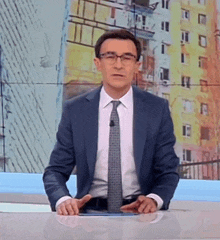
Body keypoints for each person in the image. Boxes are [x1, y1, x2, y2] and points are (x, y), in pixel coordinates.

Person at [43, 29, 179, 216]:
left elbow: (168, 171)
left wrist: (154, 199)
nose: (118, 65)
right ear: (97, 63)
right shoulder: (75, 110)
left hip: (141, 215)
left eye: (127, 58)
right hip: (88, 214)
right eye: (110, 57)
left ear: (137, 65)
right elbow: (55, 171)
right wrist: (63, 200)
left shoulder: (157, 109)